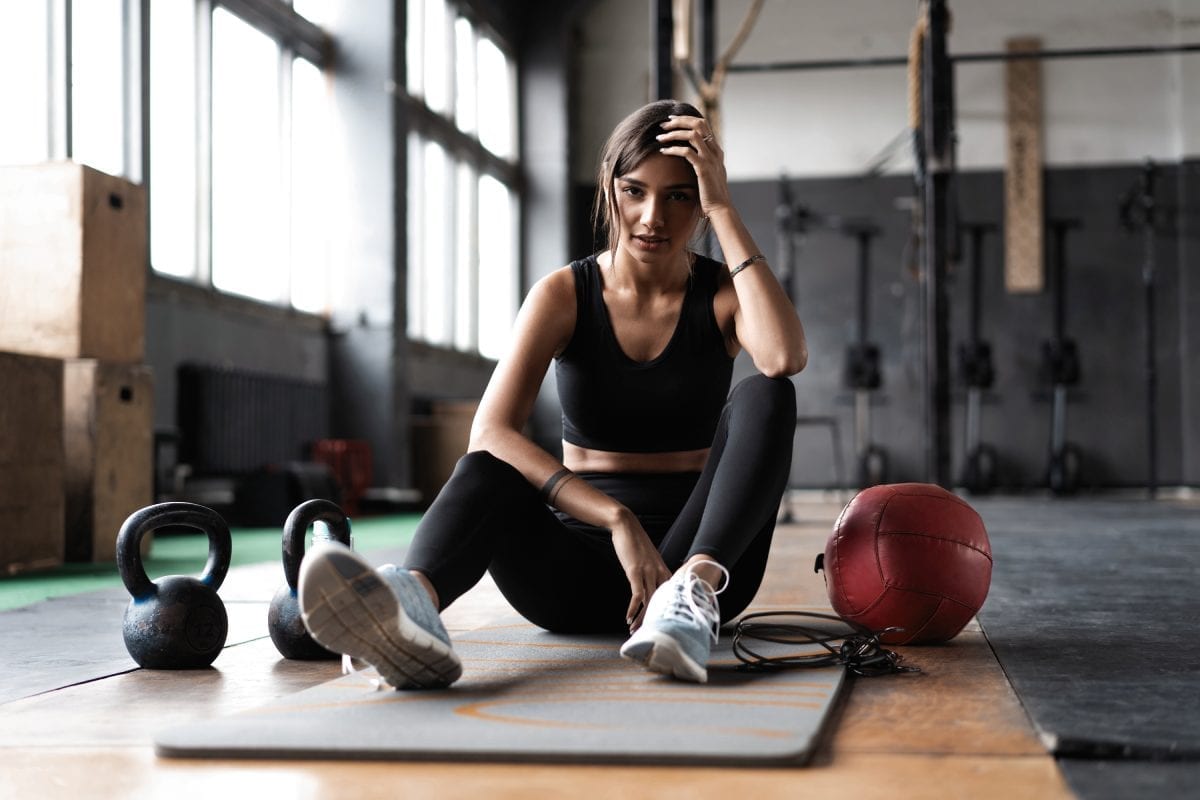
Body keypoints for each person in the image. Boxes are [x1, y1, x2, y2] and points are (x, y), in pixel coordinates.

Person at [298, 99, 807, 689]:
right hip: (569, 575)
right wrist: (618, 520)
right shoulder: (564, 293)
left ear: (700, 203)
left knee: (768, 395)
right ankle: (410, 609)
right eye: (634, 191)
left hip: (697, 571)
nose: (652, 217)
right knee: (488, 464)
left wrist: (723, 206)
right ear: (609, 189)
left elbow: (783, 356)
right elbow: (489, 431)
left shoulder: (721, 294)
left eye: (679, 196)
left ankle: (691, 594)